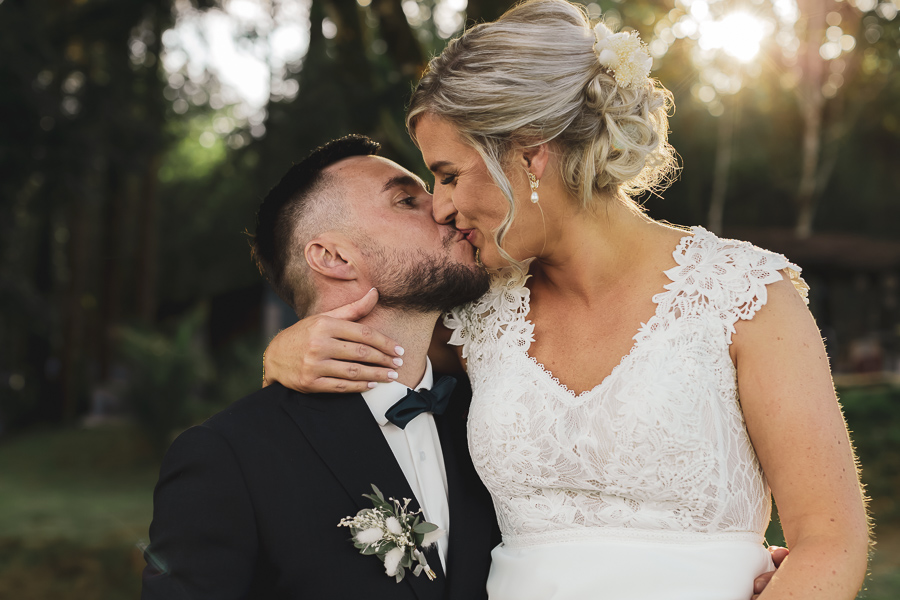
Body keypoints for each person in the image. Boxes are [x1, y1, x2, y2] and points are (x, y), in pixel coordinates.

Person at [262, 1, 869, 599]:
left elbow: (830, 541)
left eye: (448, 175)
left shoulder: (746, 296)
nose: (441, 208)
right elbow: (371, 367)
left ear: (530, 154)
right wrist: (284, 354)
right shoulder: (477, 319)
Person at [140, 135, 499, 600]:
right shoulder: (230, 458)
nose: (446, 208)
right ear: (333, 258)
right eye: (407, 200)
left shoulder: (496, 421)